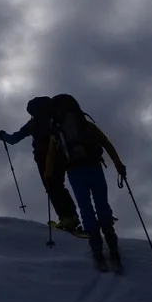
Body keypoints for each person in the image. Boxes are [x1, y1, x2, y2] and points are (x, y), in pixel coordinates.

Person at [42, 93, 127, 270]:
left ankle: (96, 248)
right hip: (94, 168)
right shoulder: (85, 125)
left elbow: (51, 157)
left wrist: (48, 176)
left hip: (74, 173)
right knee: (102, 204)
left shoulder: (57, 133)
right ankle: (112, 245)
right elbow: (106, 143)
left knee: (85, 208)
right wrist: (118, 165)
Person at [0, 96, 82, 234]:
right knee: (59, 186)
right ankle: (72, 216)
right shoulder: (55, 120)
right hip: (61, 156)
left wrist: (3, 136)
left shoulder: (34, 123)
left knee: (51, 186)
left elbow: (14, 139)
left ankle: (66, 218)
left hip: (43, 157)